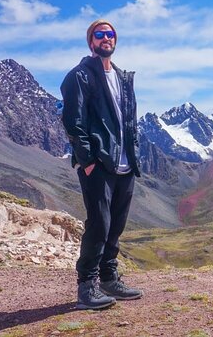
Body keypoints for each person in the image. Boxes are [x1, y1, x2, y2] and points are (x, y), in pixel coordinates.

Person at [60, 19, 143, 310]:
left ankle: (109, 278)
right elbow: (73, 121)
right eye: (100, 34)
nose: (106, 38)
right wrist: (88, 160)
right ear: (91, 41)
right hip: (99, 163)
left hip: (124, 164)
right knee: (99, 224)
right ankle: (87, 287)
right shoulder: (79, 76)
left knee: (116, 225)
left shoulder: (122, 77)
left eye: (110, 34)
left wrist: (134, 157)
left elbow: (128, 121)